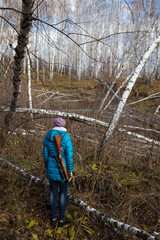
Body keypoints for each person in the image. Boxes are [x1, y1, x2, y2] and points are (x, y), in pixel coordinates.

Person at [43, 117, 73, 227]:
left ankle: (53, 218)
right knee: (63, 195)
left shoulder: (48, 135)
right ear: (63, 125)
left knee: (53, 194)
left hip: (51, 169)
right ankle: (61, 220)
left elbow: (45, 154)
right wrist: (70, 170)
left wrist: (48, 167)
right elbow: (69, 155)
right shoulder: (66, 137)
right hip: (63, 171)